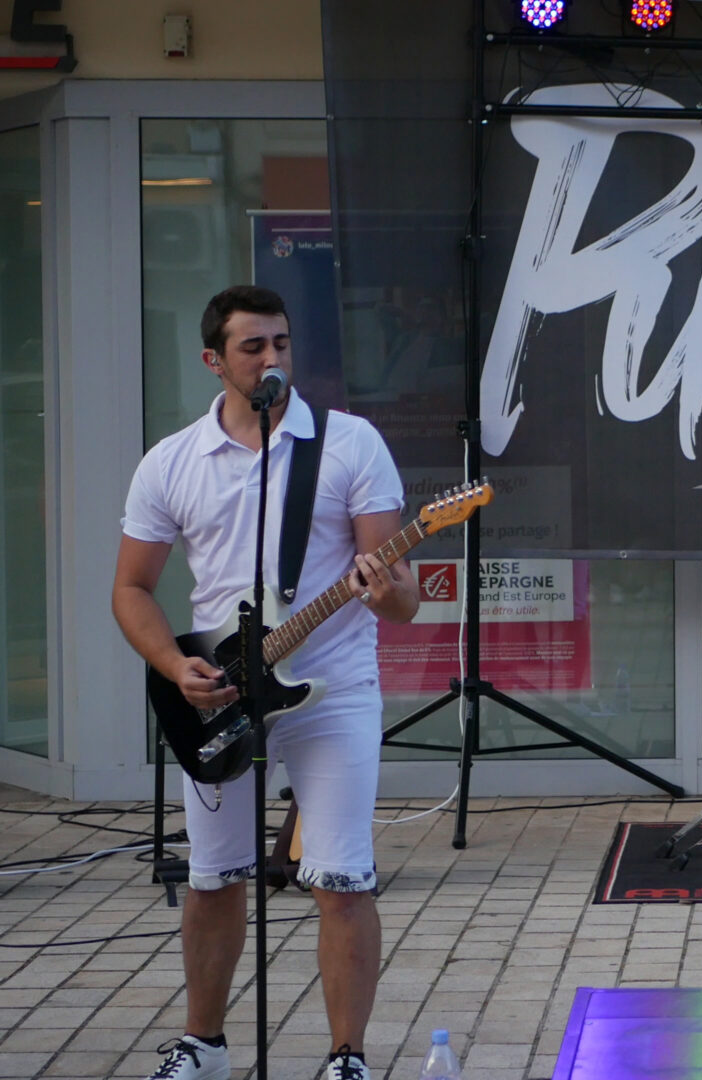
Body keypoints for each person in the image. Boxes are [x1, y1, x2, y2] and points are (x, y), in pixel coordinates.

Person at [112, 286, 419, 1080]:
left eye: (281, 342)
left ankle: (347, 1058)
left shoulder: (349, 444)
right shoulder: (172, 461)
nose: (272, 358)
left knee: (342, 879)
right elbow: (131, 588)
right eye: (252, 347)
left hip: (333, 692)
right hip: (220, 693)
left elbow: (404, 598)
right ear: (214, 361)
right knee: (214, 879)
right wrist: (175, 666)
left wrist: (382, 589)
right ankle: (204, 1046)